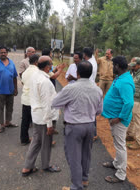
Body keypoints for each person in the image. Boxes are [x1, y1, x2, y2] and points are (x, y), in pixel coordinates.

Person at [52, 61, 103, 190]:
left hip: (74, 126)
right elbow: (99, 111)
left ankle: (76, 186)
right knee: (86, 154)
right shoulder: (97, 90)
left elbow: (55, 103)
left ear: (77, 73)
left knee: (74, 157)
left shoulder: (71, 88)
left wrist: (67, 105)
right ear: (91, 73)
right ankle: (84, 180)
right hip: (90, 126)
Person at [21, 56, 61, 177]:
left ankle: (27, 167)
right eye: (51, 64)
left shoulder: (36, 76)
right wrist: (49, 125)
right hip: (44, 118)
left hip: (37, 115)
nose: (52, 66)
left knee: (36, 142)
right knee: (46, 143)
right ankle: (46, 165)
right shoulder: (44, 81)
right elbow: (46, 104)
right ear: (48, 66)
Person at [101, 56, 135, 183]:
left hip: (119, 120)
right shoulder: (121, 78)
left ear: (117, 66)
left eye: (113, 65)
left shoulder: (125, 82)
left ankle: (121, 174)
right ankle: (116, 163)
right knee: (117, 143)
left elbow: (129, 103)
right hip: (115, 117)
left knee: (120, 146)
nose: (112, 68)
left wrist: (119, 117)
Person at [0, 46, 18, 133]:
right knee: (0, 108)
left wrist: (15, 88)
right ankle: (1, 125)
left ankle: (8, 122)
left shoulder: (11, 63)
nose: (3, 54)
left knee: (10, 107)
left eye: (4, 52)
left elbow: (14, 77)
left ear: (7, 53)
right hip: (0, 90)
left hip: (10, 90)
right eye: (1, 52)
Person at [20, 54, 40, 146]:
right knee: (38, 121)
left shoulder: (25, 72)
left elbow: (23, 82)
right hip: (34, 100)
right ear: (36, 62)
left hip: (26, 99)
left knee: (25, 121)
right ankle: (40, 140)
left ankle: (24, 139)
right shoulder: (38, 72)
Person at [83, 47, 98, 141]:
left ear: (85, 54)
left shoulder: (90, 63)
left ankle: (93, 134)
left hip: (88, 89)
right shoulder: (92, 60)